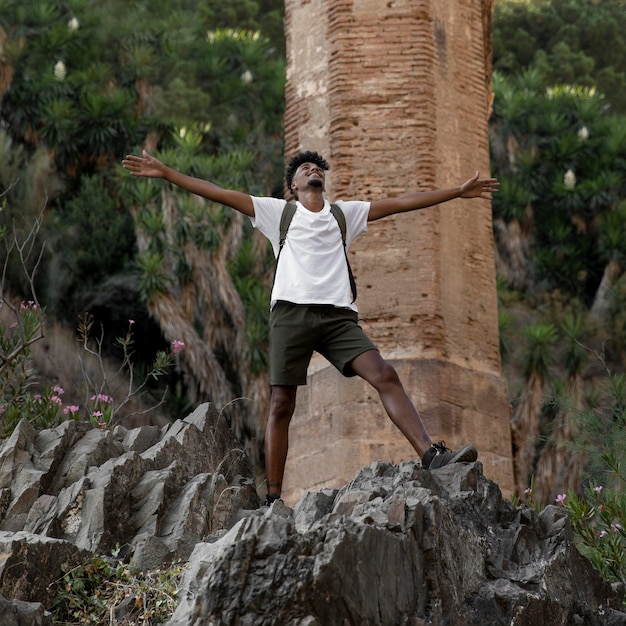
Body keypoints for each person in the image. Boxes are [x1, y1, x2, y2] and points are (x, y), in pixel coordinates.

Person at [122, 149, 499, 505]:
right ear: (294, 186)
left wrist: (457, 192)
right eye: (305, 169)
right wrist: (167, 173)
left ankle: (430, 454)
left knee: (384, 374)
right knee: (282, 403)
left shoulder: (343, 215)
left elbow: (402, 203)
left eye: (317, 168)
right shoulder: (277, 214)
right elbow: (219, 193)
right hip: (291, 315)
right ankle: (273, 498)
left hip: (338, 319)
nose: (313, 170)